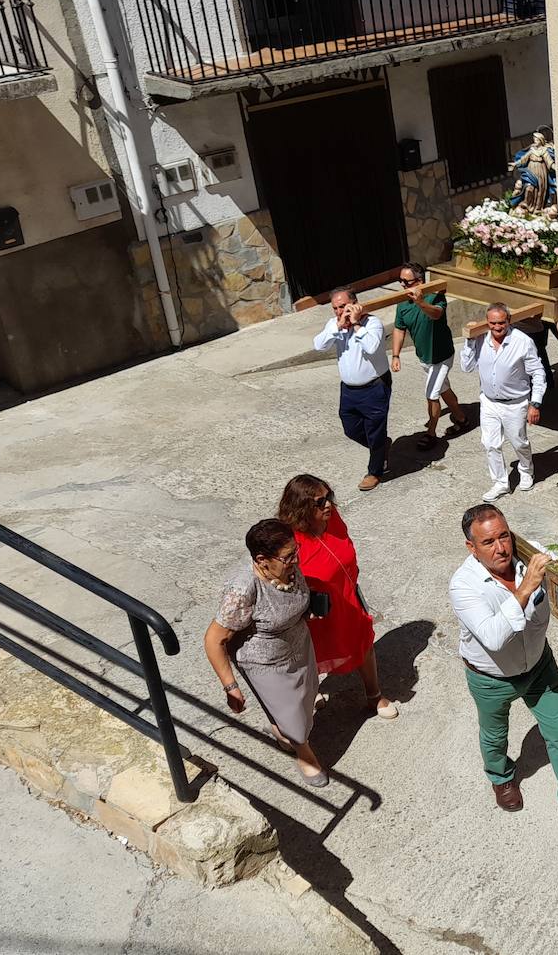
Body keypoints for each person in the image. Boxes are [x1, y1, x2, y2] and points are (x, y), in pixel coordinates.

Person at [447, 503, 558, 839]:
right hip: (491, 677)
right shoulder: (464, 586)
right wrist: (525, 588)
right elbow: (493, 636)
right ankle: (501, 777)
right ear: (471, 547)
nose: (501, 548)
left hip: (538, 666)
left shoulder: (528, 558)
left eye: (504, 536)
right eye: (488, 542)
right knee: (494, 734)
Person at [203, 520, 327, 786]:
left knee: (305, 696)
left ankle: (281, 731)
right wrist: (231, 687)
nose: (296, 559)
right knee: (293, 714)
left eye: (296, 551)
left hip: (299, 645)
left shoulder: (287, 567)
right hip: (266, 661)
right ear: (262, 560)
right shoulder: (243, 590)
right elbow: (214, 640)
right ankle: (303, 752)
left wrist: (307, 609)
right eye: (288, 556)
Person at [278, 475, 397, 719]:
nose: (329, 505)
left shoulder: (332, 520)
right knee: (311, 655)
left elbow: (346, 547)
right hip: (316, 611)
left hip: (348, 595)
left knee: (363, 642)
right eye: (320, 502)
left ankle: (374, 695)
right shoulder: (289, 542)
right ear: (301, 508)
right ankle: (312, 692)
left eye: (328, 497)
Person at [458, 302, 547, 502]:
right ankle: (500, 483)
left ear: (508, 321)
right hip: (489, 401)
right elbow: (466, 367)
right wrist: (469, 341)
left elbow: (538, 373)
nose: (497, 327)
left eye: (501, 323)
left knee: (518, 441)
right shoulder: (480, 339)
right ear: (487, 322)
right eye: (492, 323)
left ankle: (526, 469)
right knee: (490, 443)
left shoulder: (522, 341)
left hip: (516, 402)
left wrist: (535, 403)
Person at [314, 287, 391, 492]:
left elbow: (372, 347)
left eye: (344, 307)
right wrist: (337, 327)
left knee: (375, 431)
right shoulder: (335, 325)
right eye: (336, 308)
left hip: (374, 387)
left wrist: (356, 324)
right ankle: (381, 448)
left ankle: (374, 471)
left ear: (354, 304)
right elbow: (319, 345)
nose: (340, 311)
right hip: (349, 389)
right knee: (351, 428)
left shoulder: (371, 323)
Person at [390, 262, 467, 449]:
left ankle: (431, 433)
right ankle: (462, 419)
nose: (403, 285)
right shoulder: (402, 304)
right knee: (444, 389)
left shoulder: (436, 296)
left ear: (419, 281)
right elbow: (399, 329)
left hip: (441, 356)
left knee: (432, 394)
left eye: (406, 282)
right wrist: (396, 355)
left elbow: (436, 314)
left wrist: (421, 303)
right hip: (424, 357)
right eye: (400, 281)